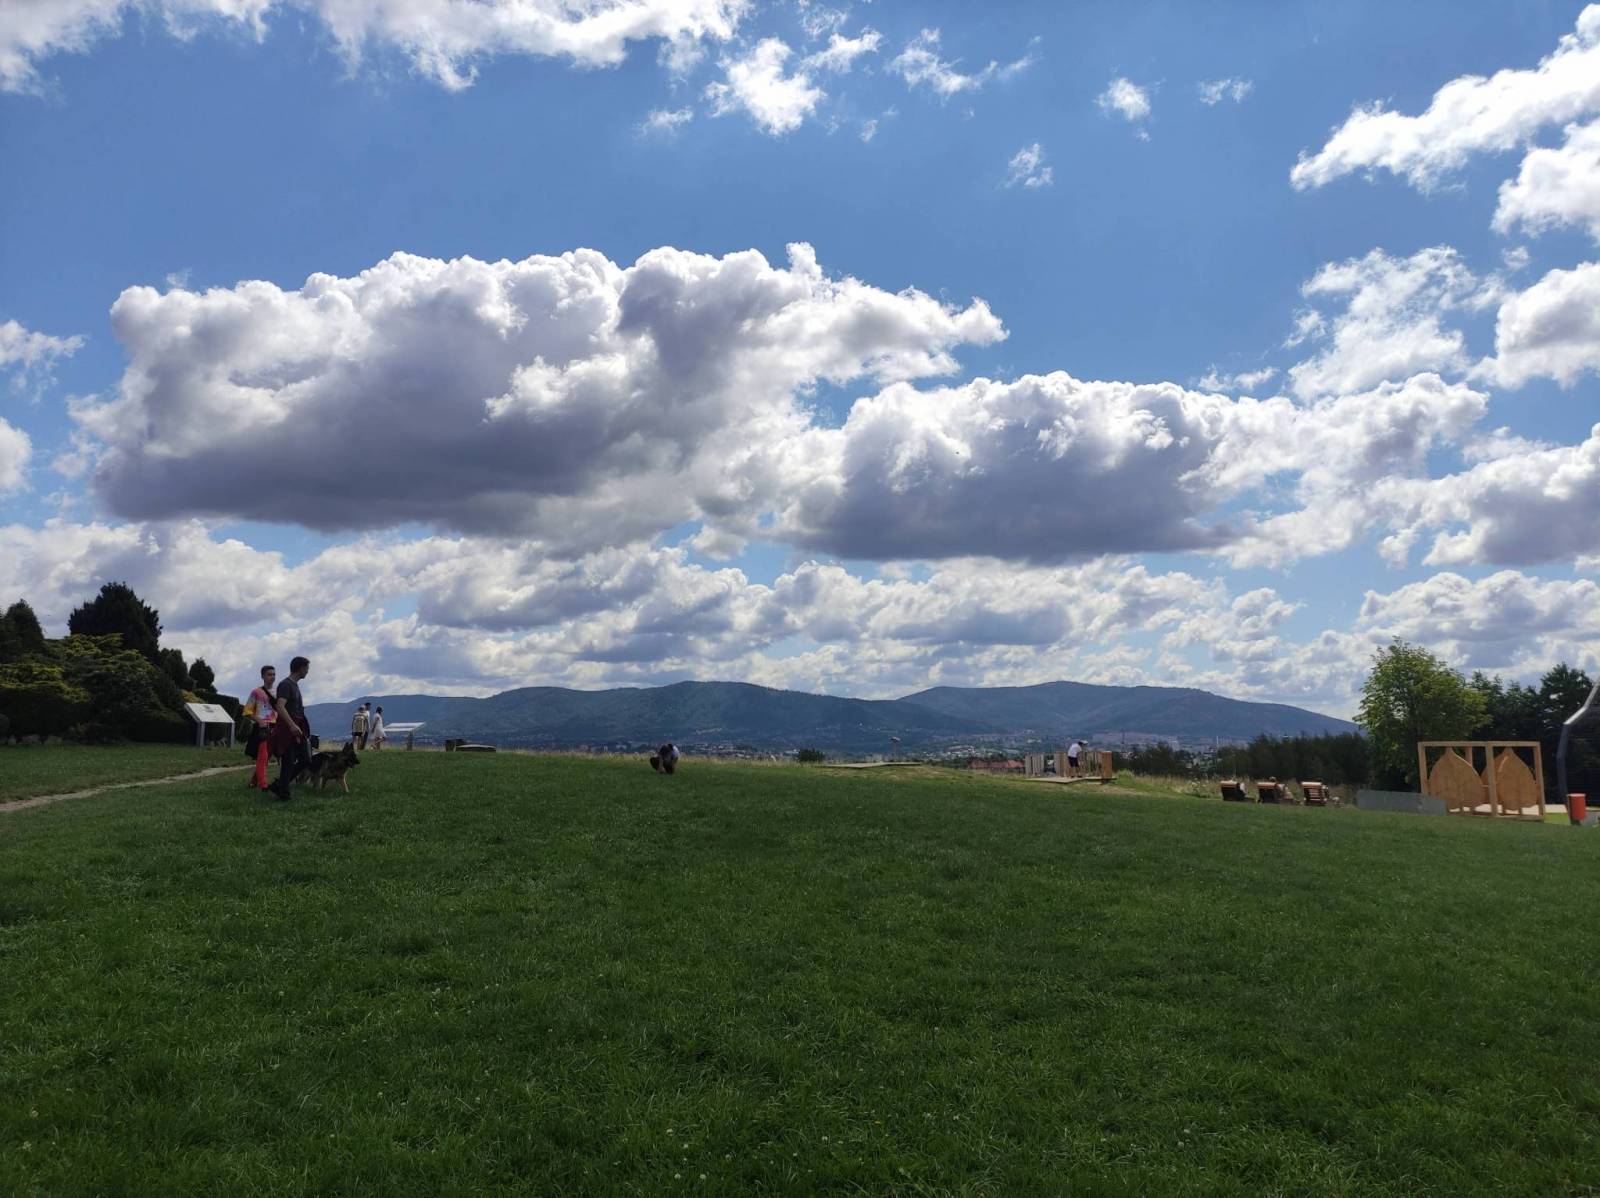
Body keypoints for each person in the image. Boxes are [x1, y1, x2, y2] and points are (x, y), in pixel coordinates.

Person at [267, 656, 312, 801]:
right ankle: (283, 793)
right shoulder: (285, 685)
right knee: (289, 760)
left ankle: (279, 785)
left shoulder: (295, 685)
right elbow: (280, 707)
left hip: (297, 727)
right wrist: (292, 725)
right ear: (300, 668)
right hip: (287, 729)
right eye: (307, 668)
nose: (308, 671)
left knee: (305, 759)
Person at [244, 665, 277, 791]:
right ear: (262, 676)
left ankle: (253, 781)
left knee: (266, 756)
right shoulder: (256, 692)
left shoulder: (278, 692)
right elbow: (247, 711)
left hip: (275, 726)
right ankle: (263, 785)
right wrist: (259, 721)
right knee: (263, 755)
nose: (272, 677)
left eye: (274, 674)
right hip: (262, 728)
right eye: (269, 674)